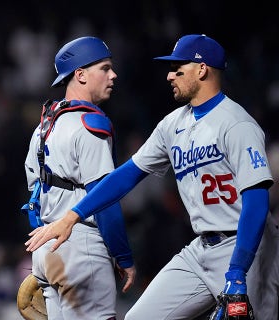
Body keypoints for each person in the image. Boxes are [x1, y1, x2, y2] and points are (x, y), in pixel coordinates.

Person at [25, 34, 279, 319]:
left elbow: (257, 201)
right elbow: (125, 176)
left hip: (248, 248)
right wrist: (72, 217)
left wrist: (237, 270)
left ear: (202, 69)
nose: (169, 76)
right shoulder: (172, 124)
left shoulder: (237, 123)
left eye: (177, 69)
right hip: (200, 250)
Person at [22, 36, 136, 319]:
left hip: (47, 246)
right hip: (80, 244)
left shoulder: (43, 128)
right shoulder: (89, 122)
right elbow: (105, 198)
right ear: (81, 75)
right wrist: (123, 256)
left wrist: (43, 246)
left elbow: (33, 197)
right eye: (105, 68)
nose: (113, 75)